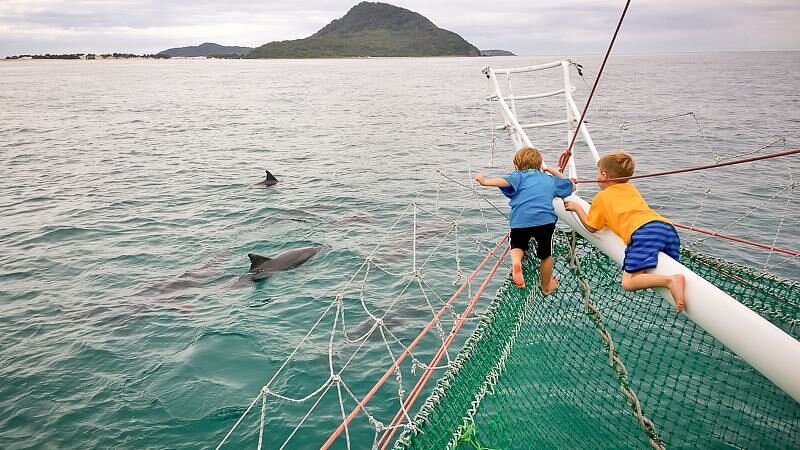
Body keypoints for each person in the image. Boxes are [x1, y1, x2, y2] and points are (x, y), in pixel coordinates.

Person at [564, 150, 687, 312]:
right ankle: (674, 280)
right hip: (666, 228)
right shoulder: (631, 189)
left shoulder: (601, 198)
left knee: (628, 282)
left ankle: (670, 281)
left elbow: (591, 227)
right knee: (665, 265)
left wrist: (577, 208)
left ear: (604, 175)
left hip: (644, 233)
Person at [474, 147, 575, 293]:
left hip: (521, 221)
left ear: (516, 166)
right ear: (540, 166)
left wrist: (485, 181)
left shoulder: (517, 176)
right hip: (545, 222)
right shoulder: (549, 179)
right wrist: (553, 171)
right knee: (546, 255)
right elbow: (572, 185)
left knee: (517, 244)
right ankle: (546, 286)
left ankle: (516, 263)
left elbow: (503, 181)